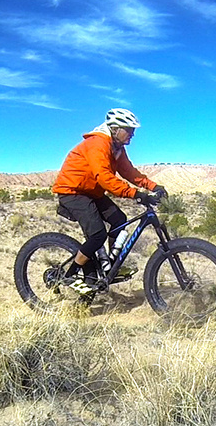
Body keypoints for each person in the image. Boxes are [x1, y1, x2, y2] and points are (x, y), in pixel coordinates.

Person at [52, 108, 167, 294]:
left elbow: (129, 172)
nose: (132, 134)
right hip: (72, 192)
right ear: (115, 128)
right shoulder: (98, 144)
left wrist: (153, 186)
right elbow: (104, 178)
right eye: (129, 129)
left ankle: (111, 267)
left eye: (133, 130)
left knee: (119, 220)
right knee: (98, 235)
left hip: (92, 192)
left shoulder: (117, 148)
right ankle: (69, 274)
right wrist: (136, 194)